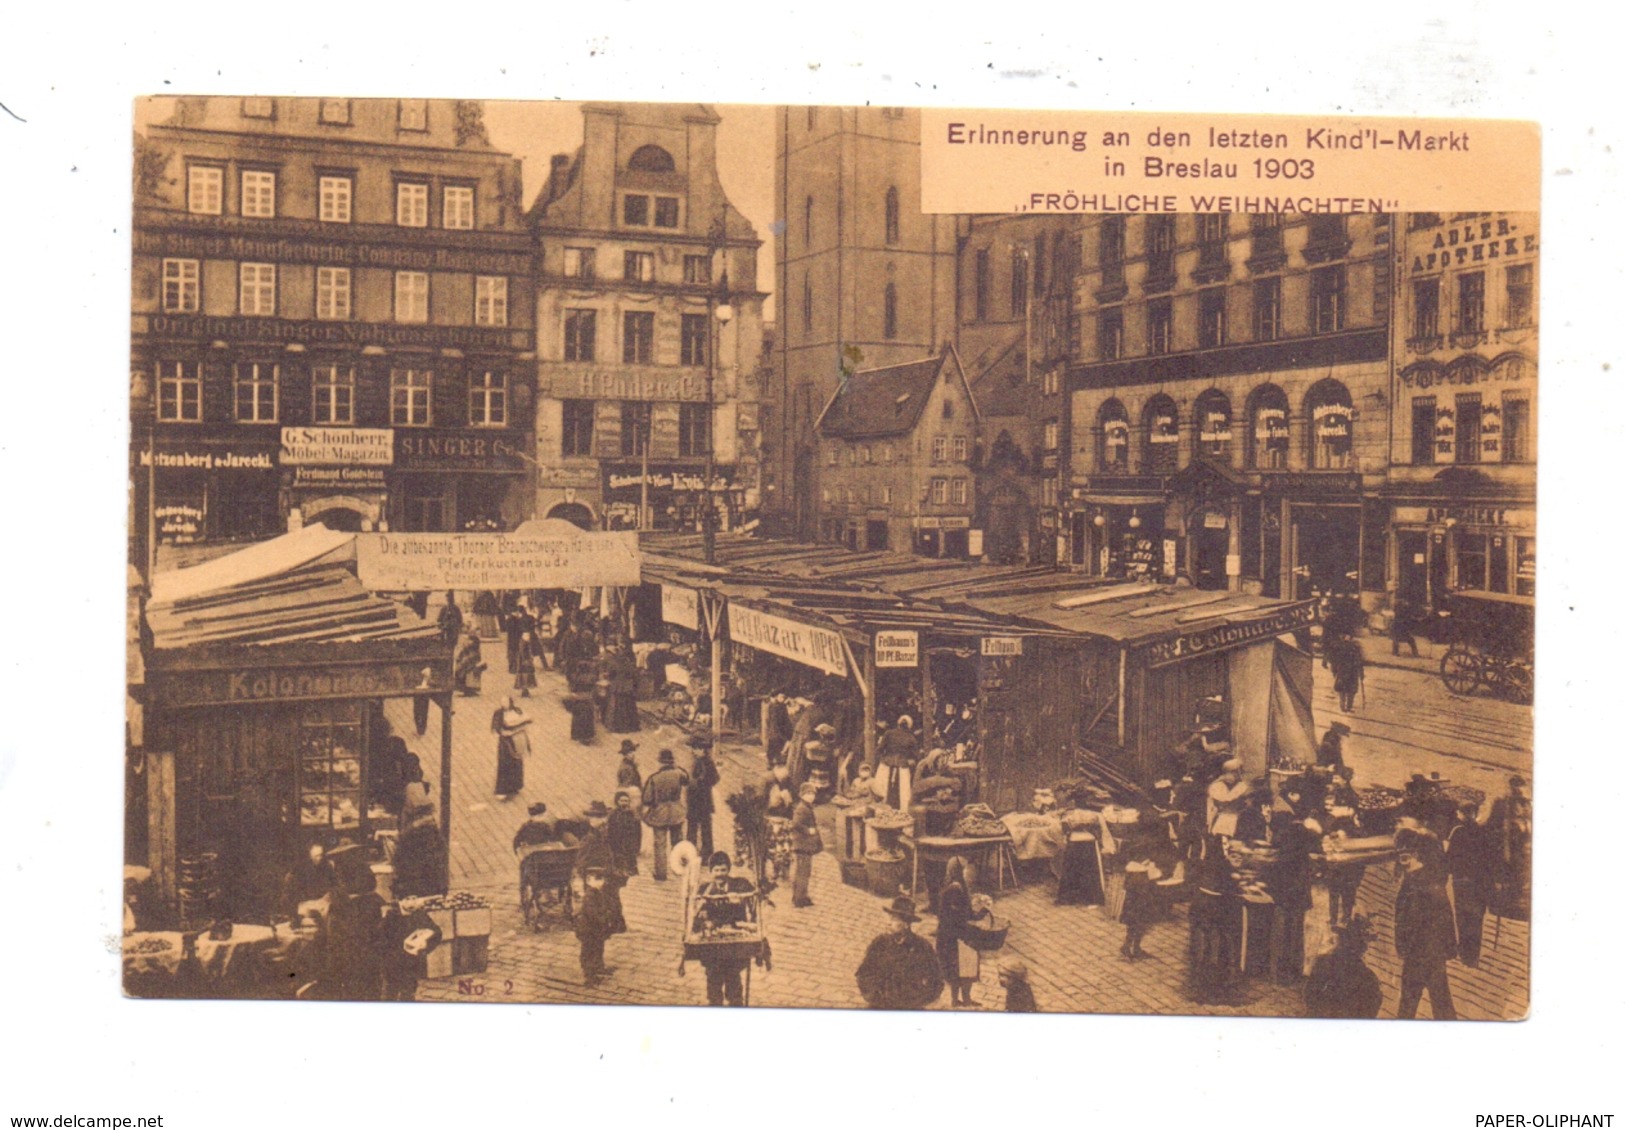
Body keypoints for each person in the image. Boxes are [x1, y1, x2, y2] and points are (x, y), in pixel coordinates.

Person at [1393, 827, 1458, 1019]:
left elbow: (1409, 921)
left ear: (1416, 855)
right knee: (1441, 1002)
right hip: (1432, 954)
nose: (1401, 862)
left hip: (1419, 954)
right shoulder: (1429, 879)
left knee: (1408, 1005)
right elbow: (1446, 917)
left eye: (1404, 857)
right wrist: (1448, 948)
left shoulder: (1419, 884)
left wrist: (1403, 946)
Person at [690, 852, 759, 1007]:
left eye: (723, 870)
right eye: (717, 870)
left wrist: (739, 899)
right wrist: (702, 914)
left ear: (728, 870)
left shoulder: (740, 884)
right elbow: (696, 917)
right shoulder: (705, 889)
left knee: (733, 977)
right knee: (713, 978)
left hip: (734, 938)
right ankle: (715, 1005)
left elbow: (754, 896)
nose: (720, 874)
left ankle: (736, 1005)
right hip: (713, 940)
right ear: (711, 871)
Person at [855, 897, 945, 1011]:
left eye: (894, 919)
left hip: (911, 1009)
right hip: (880, 1007)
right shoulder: (880, 942)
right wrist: (874, 996)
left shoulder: (922, 946)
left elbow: (936, 980)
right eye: (889, 918)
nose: (888, 923)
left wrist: (918, 1001)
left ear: (906, 923)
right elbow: (864, 973)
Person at [1446, 801, 1497, 968]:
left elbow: (1450, 859)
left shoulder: (1457, 832)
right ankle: (1473, 955)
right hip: (1479, 884)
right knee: (1476, 919)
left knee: (1463, 917)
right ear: (1475, 814)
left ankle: (1465, 953)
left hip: (1462, 883)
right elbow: (1491, 859)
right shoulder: (1484, 832)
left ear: (1461, 814)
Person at [934, 855, 989, 1006]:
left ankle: (958, 1000)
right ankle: (963, 999)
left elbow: (963, 913)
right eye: (965, 869)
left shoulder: (954, 885)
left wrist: (980, 911)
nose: (968, 872)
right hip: (955, 936)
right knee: (966, 967)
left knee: (956, 970)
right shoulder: (955, 889)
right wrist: (979, 915)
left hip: (950, 935)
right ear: (959, 870)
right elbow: (958, 916)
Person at [1304, 915, 1384, 1019]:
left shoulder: (1323, 963)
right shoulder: (1369, 977)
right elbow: (1371, 1011)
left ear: (1340, 942)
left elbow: (1309, 997)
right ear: (1363, 950)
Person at [1272, 816, 1320, 984]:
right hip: (1297, 896)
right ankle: (1293, 971)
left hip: (1284, 896)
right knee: (1296, 934)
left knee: (1282, 933)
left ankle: (1280, 972)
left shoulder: (1283, 848)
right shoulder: (1303, 849)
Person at [642, 750, 690, 882]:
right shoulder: (679, 773)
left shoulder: (654, 778)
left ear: (660, 762)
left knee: (660, 845)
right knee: (678, 841)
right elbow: (687, 780)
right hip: (676, 811)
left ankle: (661, 874)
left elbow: (647, 799)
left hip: (660, 813)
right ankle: (679, 869)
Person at [575, 866, 617, 986]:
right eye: (597, 879)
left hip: (597, 929)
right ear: (588, 880)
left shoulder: (599, 892)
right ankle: (589, 975)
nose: (601, 882)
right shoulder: (590, 896)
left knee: (599, 948)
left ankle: (599, 967)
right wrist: (604, 918)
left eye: (602, 879)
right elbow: (592, 913)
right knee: (589, 951)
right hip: (588, 929)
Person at [279, 842, 337, 920]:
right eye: (316, 856)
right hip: (305, 903)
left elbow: (334, 884)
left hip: (323, 901)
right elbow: (293, 889)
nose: (319, 858)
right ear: (311, 856)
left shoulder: (327, 866)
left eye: (321, 855)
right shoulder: (302, 869)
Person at [687, 736, 722, 859]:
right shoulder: (699, 761)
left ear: (702, 749)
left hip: (701, 799)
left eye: (696, 749)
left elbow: (715, 778)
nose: (693, 751)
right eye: (693, 748)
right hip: (699, 799)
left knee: (699, 827)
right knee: (698, 827)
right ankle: (695, 852)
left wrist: (700, 783)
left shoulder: (706, 762)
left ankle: (703, 853)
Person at [877, 714, 921, 810]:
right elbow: (917, 756)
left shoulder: (888, 733)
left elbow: (879, 749)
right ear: (909, 726)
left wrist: (884, 758)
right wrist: (910, 761)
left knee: (883, 791)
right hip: (902, 767)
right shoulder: (911, 737)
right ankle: (901, 813)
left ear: (898, 724)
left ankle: (882, 812)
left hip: (886, 766)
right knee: (902, 794)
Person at [490, 698, 531, 800]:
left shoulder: (517, 710)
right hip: (506, 743)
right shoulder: (499, 713)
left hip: (518, 741)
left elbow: (526, 722)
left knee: (517, 763)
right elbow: (498, 729)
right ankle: (502, 789)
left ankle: (515, 786)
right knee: (505, 764)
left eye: (506, 702)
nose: (504, 704)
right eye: (502, 702)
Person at [790, 782, 823, 909]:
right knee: (802, 872)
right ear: (802, 795)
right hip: (802, 845)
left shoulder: (807, 807)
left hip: (806, 845)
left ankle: (802, 895)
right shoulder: (801, 808)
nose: (811, 796)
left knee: (805, 872)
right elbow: (796, 824)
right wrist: (808, 830)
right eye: (808, 794)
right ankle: (799, 898)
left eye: (813, 794)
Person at [1206, 758, 1251, 844]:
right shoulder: (1217, 786)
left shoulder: (1241, 785)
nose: (1238, 775)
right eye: (1237, 772)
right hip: (1223, 819)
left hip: (1239, 819)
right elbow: (1225, 800)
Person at [1324, 632, 1364, 713]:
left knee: (1347, 690)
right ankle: (1345, 706)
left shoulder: (1352, 647)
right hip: (1346, 671)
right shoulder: (1349, 646)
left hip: (1348, 671)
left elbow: (1359, 660)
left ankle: (1345, 706)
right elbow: (1333, 657)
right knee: (1346, 689)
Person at [605, 644, 641, 733]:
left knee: (616, 706)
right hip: (628, 687)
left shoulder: (613, 663)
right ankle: (631, 725)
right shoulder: (629, 663)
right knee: (629, 706)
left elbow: (610, 675)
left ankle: (617, 726)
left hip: (618, 686)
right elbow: (634, 675)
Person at [608, 791, 643, 877]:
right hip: (617, 842)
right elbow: (610, 830)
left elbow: (638, 832)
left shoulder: (633, 815)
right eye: (622, 800)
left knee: (631, 863)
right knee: (618, 863)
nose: (624, 803)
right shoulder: (613, 814)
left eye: (626, 801)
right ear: (617, 801)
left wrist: (637, 846)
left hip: (630, 843)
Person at [512, 603, 539, 698]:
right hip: (529, 647)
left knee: (523, 671)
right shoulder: (531, 618)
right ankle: (526, 688)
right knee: (528, 671)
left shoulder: (519, 621)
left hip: (523, 654)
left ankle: (524, 688)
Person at [453, 626, 485, 697]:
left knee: (463, 670)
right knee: (461, 669)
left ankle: (468, 689)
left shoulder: (474, 641)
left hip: (471, 661)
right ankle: (465, 689)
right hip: (468, 659)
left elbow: (473, 654)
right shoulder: (467, 640)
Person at [765, 693, 794, 768]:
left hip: (781, 728)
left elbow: (786, 718)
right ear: (777, 697)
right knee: (773, 744)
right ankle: (770, 761)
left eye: (783, 697)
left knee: (779, 745)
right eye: (781, 697)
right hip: (775, 728)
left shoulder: (782, 706)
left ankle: (777, 761)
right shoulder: (774, 706)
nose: (782, 699)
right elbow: (771, 719)